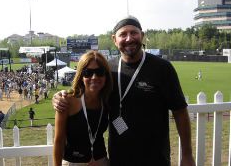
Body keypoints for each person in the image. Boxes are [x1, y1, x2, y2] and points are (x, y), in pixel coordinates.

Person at [52, 16, 195, 166]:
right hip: (118, 158)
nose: (129, 38)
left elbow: (180, 112)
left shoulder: (162, 68)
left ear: (142, 35)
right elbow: (87, 91)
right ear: (114, 39)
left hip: (155, 158)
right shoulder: (107, 70)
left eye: (134, 33)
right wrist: (60, 96)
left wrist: (187, 155)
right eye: (123, 34)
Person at [53, 50, 113, 166]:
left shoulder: (108, 99)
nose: (94, 77)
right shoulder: (67, 101)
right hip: (73, 162)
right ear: (81, 76)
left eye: (100, 72)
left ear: (106, 75)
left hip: (100, 161)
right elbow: (59, 140)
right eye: (88, 73)